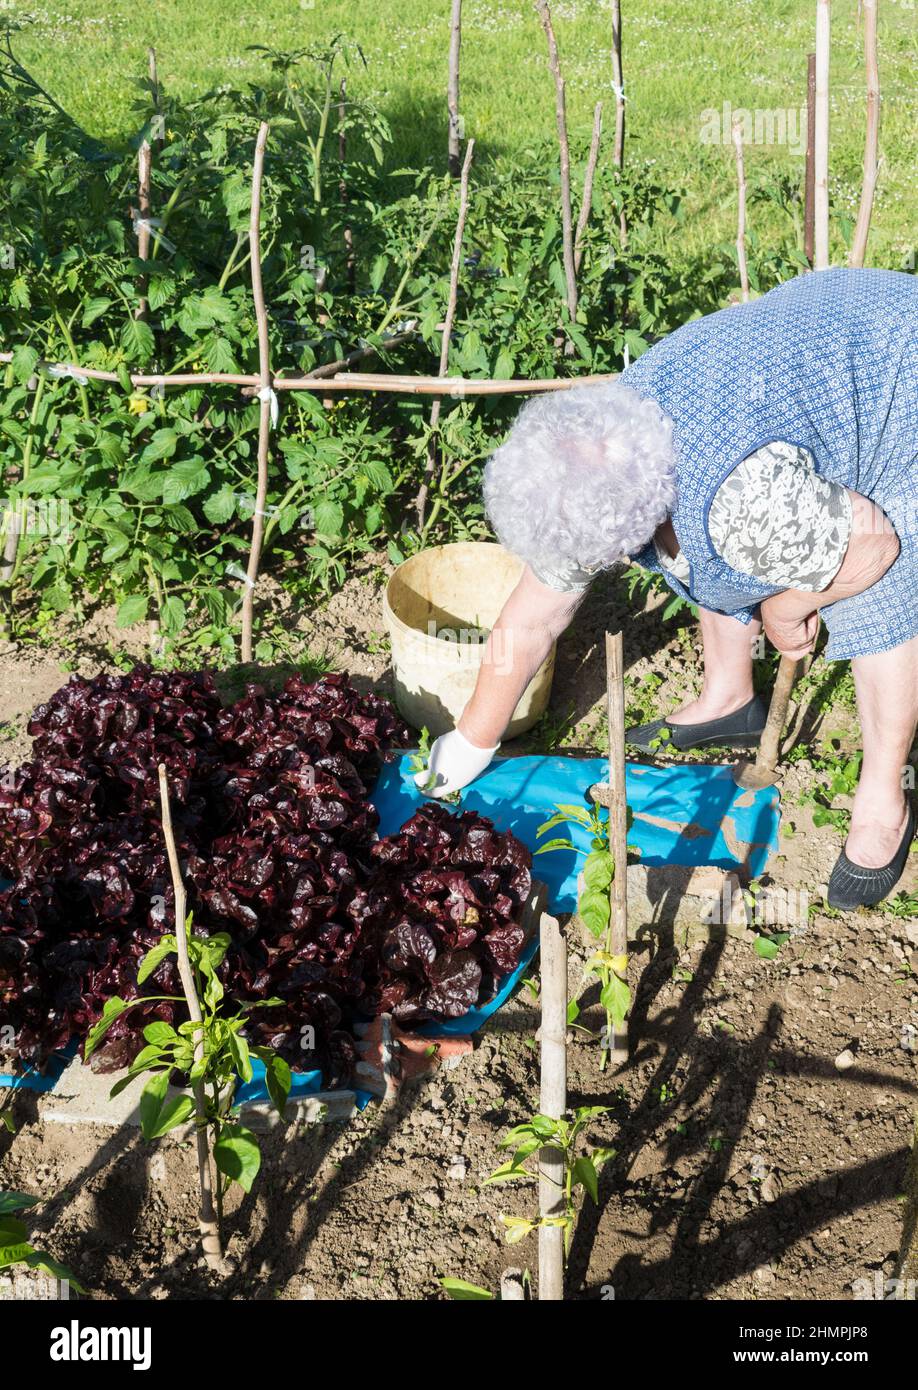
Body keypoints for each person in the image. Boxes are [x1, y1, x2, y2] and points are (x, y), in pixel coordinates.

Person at [413, 268, 918, 910]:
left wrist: (789, 610)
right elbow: (532, 618)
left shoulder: (741, 504)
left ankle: (882, 800)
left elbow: (874, 547)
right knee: (706, 558)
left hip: (899, 379)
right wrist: (469, 741)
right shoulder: (601, 444)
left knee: (878, 601)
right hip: (816, 351)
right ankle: (729, 699)